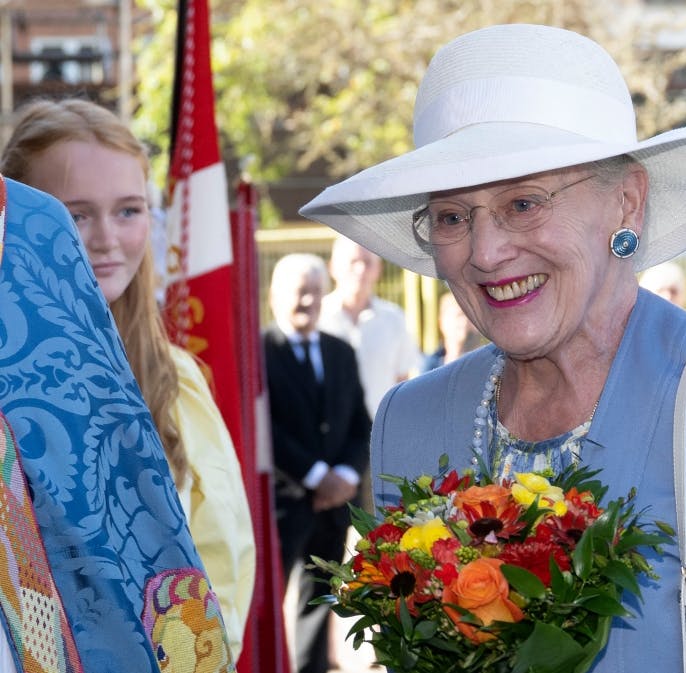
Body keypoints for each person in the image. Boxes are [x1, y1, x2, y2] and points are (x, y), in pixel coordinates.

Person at [300, 24, 686, 672]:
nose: (485, 252)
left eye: (523, 202)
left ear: (626, 201)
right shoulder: (412, 422)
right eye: (454, 217)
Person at [1, 98, 255, 660]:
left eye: (128, 210)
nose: (106, 240)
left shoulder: (178, 378)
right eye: (75, 215)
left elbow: (223, 556)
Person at [264, 253, 372, 673]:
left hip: (332, 508)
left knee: (318, 601)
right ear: (274, 297)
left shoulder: (340, 351)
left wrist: (345, 475)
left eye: (314, 291)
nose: (308, 300)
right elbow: (266, 428)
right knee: (269, 601)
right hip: (283, 502)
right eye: (298, 291)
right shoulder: (260, 352)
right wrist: (315, 476)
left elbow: (359, 419)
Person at [319, 233, 424, 419]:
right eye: (353, 262)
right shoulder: (318, 318)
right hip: (328, 435)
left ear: (378, 269)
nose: (360, 270)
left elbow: (403, 380)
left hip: (379, 431)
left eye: (367, 262)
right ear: (333, 267)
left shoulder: (394, 319)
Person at [421, 290, 485, 372]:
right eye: (458, 315)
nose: (463, 322)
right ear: (441, 322)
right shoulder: (429, 366)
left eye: (469, 316)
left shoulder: (492, 363)